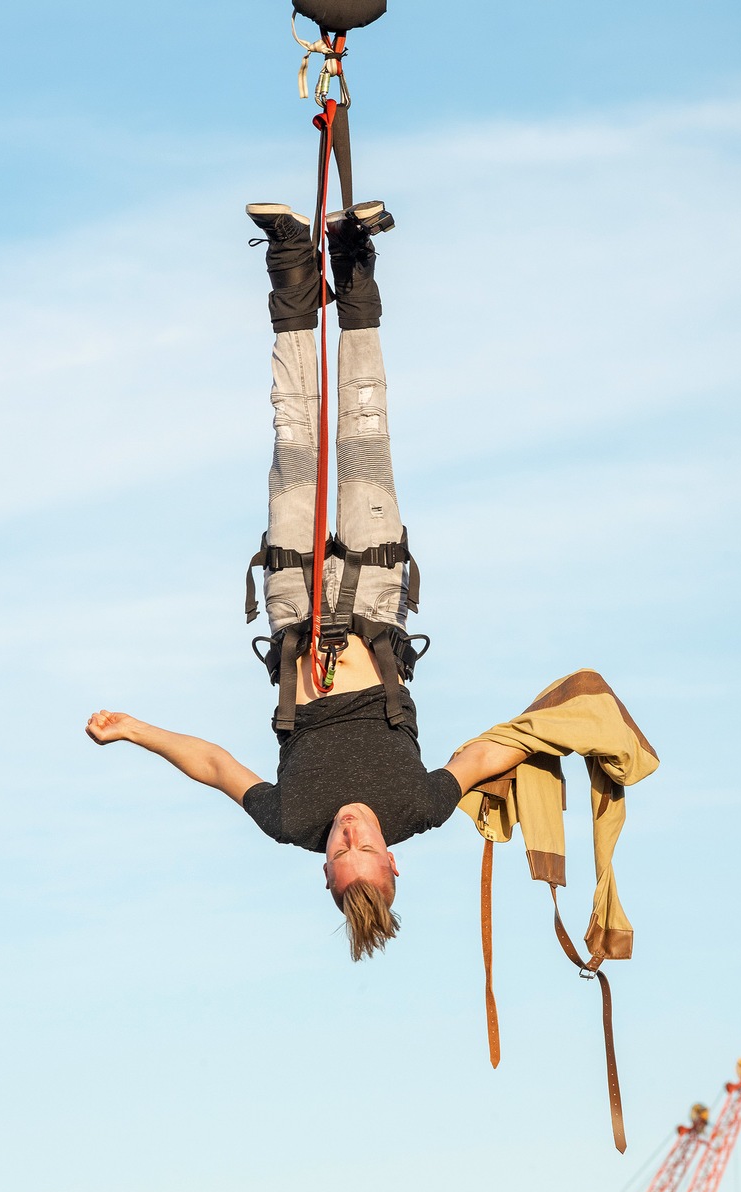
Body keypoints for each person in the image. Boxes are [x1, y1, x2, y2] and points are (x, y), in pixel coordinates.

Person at [86, 200, 524, 959]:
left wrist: (135, 733)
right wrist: (565, 735)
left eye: (338, 852)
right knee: (360, 425)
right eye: (362, 847)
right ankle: (352, 264)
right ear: (391, 861)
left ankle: (291, 266)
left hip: (293, 602)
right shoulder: (419, 807)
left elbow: (218, 767)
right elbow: (487, 756)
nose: (348, 833)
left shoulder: (290, 819)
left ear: (323, 869)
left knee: (295, 431)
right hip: (374, 592)